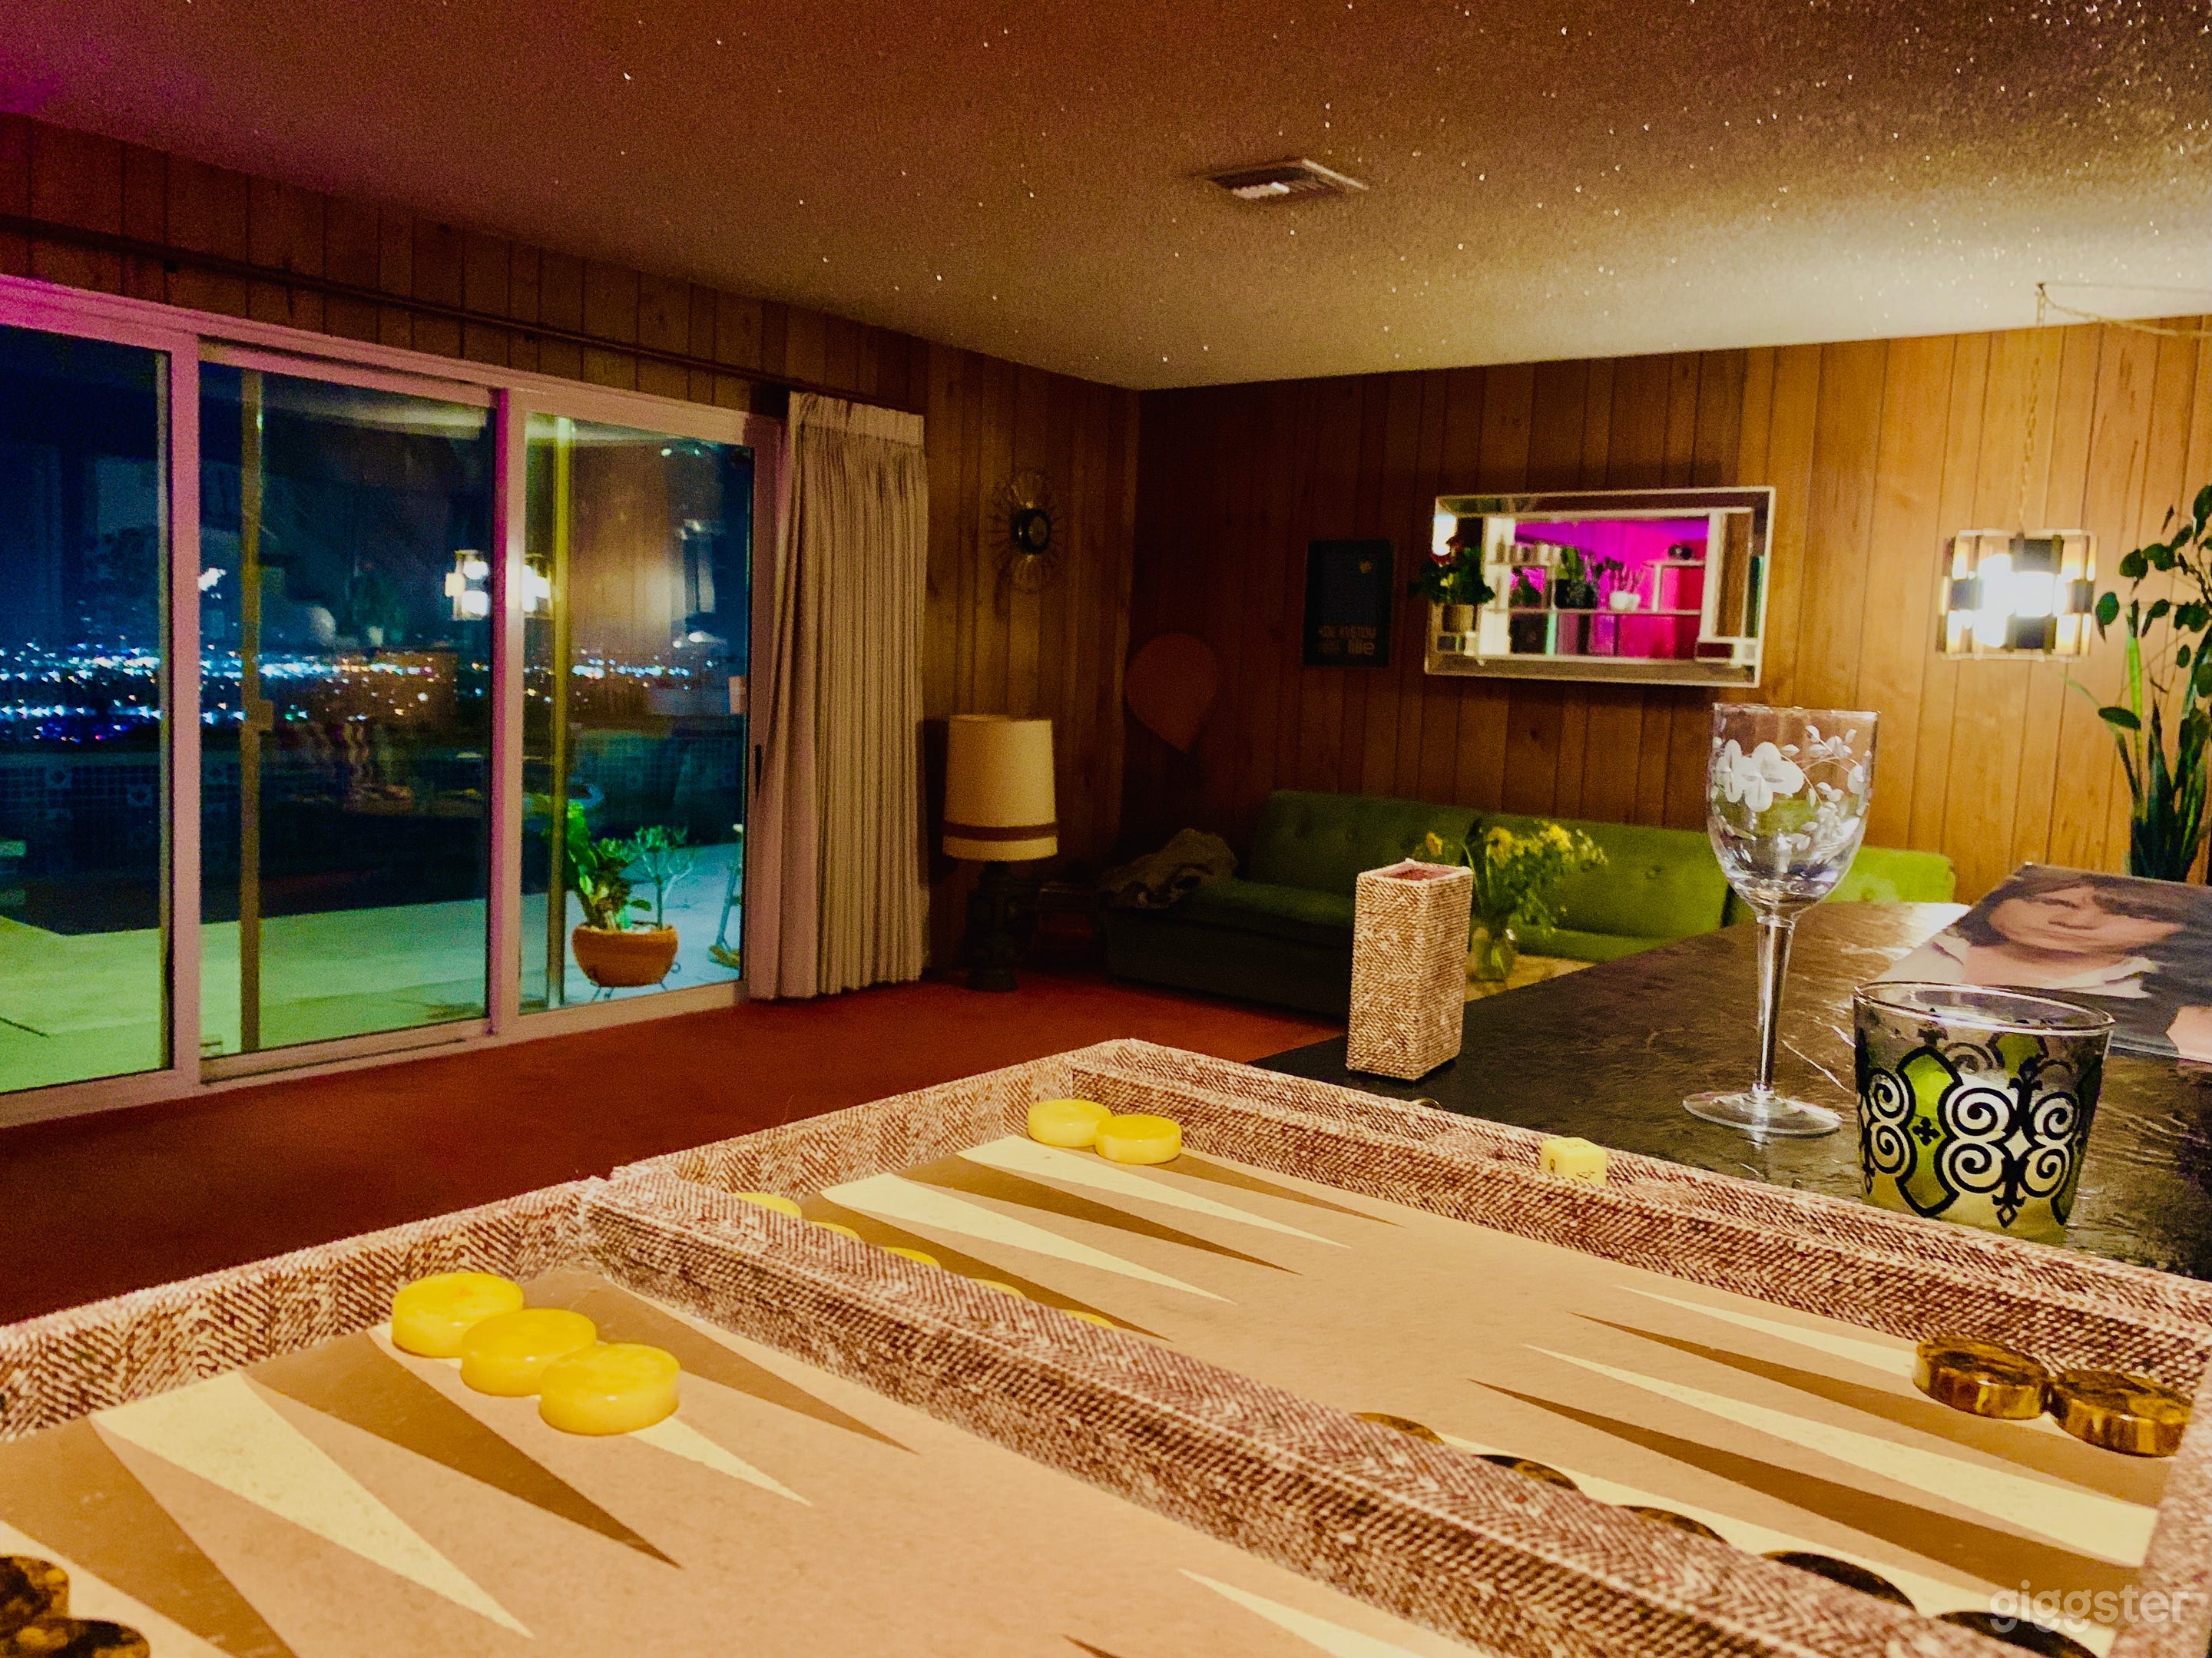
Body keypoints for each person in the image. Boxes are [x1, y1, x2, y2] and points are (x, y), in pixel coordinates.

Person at [1886, 865, 2212, 1061]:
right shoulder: (1920, 944)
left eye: (2134, 915)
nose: (2077, 922)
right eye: (2053, 901)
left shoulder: (2166, 1004)